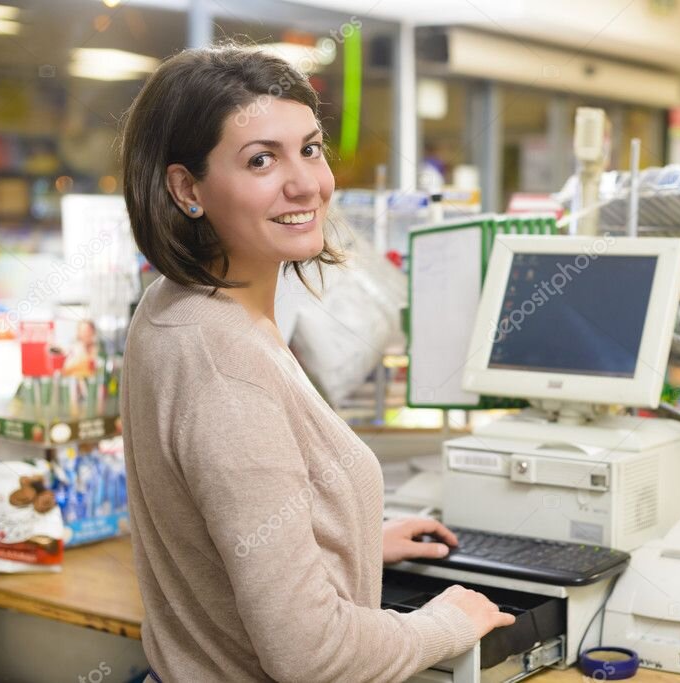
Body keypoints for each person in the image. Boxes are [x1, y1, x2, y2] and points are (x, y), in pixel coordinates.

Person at [118, 45, 513, 682]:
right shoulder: (227, 365)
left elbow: (223, 524)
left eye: (309, 147)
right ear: (186, 188)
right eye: (260, 160)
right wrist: (445, 624)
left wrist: (355, 545)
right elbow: (311, 655)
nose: (306, 183)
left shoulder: (172, 306)